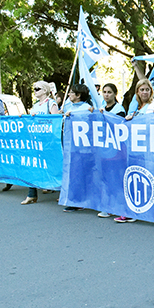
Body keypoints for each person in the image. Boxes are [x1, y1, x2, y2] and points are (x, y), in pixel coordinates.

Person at [114, 79, 154, 223]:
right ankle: (132, 210)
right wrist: (130, 120)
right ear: (137, 92)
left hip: (149, 149)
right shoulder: (135, 107)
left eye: (147, 89)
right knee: (135, 178)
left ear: (151, 91)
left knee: (150, 179)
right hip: (135, 148)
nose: (144, 92)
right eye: (142, 90)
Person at [21, 81, 59, 205]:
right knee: (33, 165)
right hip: (36, 141)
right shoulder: (36, 105)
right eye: (34, 89)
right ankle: (31, 194)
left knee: (53, 166)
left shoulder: (51, 103)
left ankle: (62, 191)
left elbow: (56, 122)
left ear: (45, 90)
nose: (35, 91)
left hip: (48, 142)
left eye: (37, 88)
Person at [96, 83, 126, 219]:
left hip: (115, 151)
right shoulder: (101, 108)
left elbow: (118, 127)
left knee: (115, 178)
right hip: (103, 149)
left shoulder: (119, 109)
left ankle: (118, 206)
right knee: (105, 178)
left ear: (115, 94)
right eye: (104, 92)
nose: (106, 94)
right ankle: (107, 205)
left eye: (109, 92)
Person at [63, 84, 94, 212]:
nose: (69, 95)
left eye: (71, 93)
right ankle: (75, 198)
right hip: (71, 146)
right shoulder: (68, 106)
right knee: (73, 173)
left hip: (82, 148)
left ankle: (80, 200)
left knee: (80, 174)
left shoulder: (86, 108)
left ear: (78, 95)